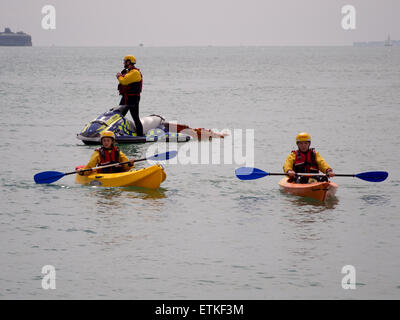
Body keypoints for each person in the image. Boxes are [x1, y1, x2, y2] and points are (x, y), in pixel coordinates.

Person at [116, 55, 144, 136]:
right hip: (126, 97)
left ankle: (140, 135)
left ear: (129, 62)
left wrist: (118, 76)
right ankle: (117, 132)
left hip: (132, 98)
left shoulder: (135, 72)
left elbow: (124, 81)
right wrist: (121, 75)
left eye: (125, 61)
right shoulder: (128, 71)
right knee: (118, 116)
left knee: (133, 117)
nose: (123, 63)